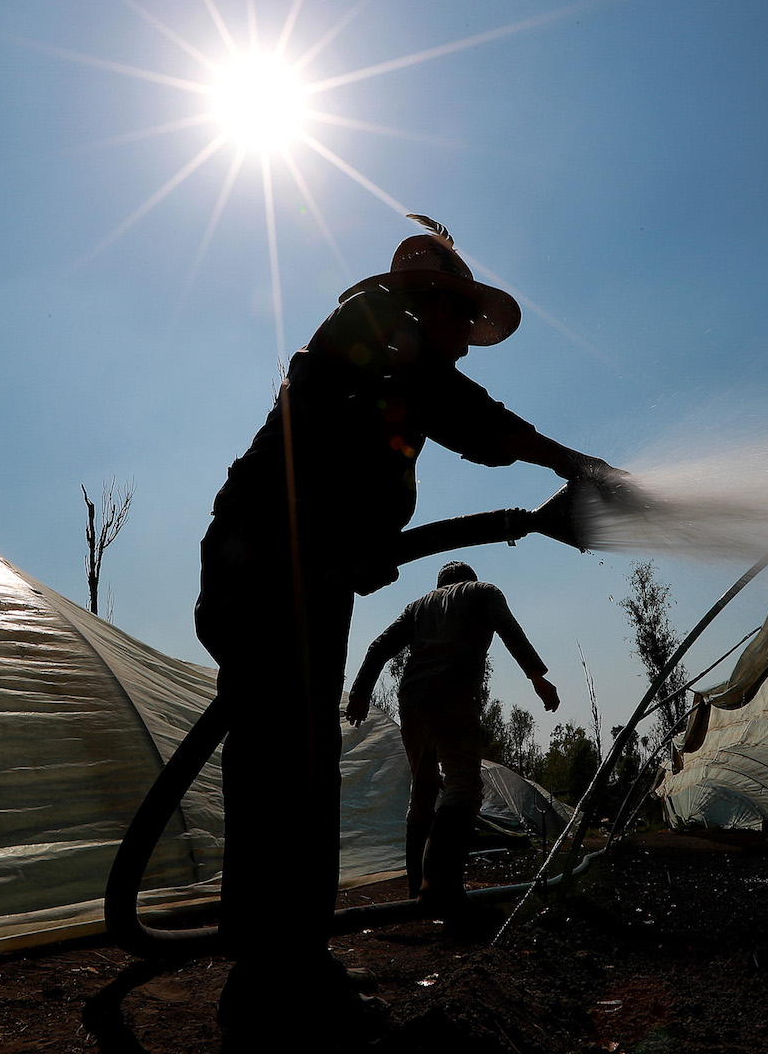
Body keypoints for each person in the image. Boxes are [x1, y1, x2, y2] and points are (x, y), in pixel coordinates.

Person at [194, 216, 620, 1038]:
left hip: (301, 568)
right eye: (463, 321)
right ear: (430, 300)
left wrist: (361, 544)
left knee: (298, 760)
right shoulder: (376, 321)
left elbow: (447, 421)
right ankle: (271, 983)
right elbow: (467, 416)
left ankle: (287, 964)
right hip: (266, 564)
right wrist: (575, 464)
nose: (467, 344)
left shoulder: (396, 365)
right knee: (285, 758)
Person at [345, 561, 560, 922]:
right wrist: (537, 677)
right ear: (468, 580)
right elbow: (507, 627)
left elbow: (379, 646)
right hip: (453, 690)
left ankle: (418, 891)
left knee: (423, 788)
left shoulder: (416, 607)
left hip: (412, 697)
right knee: (464, 787)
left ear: (439, 584)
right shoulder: (482, 592)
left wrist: (360, 693)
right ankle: (442, 891)